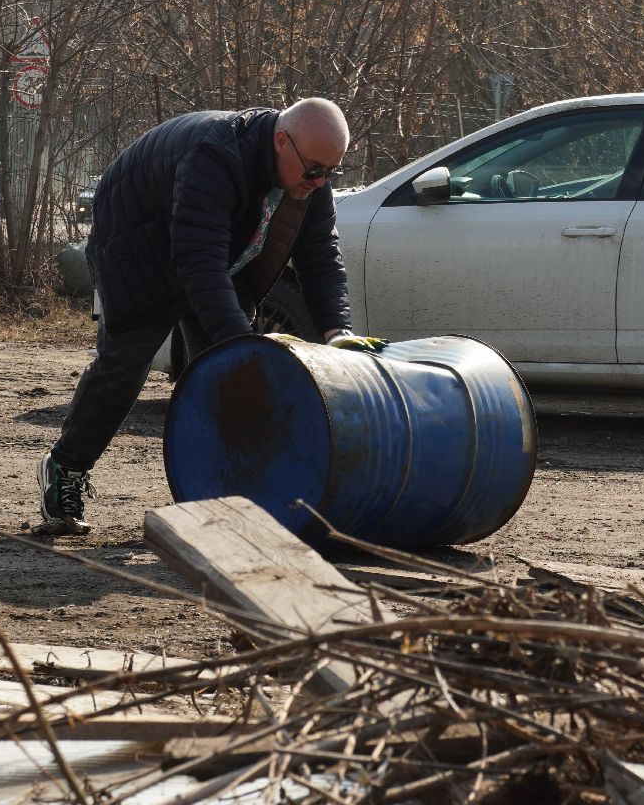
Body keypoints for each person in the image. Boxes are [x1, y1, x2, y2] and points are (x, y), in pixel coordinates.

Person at [36, 97, 384, 535]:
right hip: (136, 245)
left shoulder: (308, 170)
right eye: (314, 170)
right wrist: (240, 344)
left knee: (228, 378)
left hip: (214, 251)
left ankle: (226, 497)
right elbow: (197, 263)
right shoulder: (215, 156)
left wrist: (337, 331)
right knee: (124, 367)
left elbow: (320, 257)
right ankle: (64, 470)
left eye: (331, 172)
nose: (320, 182)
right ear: (281, 141)